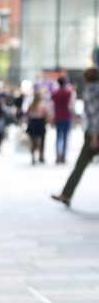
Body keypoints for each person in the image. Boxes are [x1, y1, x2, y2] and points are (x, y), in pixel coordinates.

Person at [52, 66, 99, 207]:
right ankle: (66, 194)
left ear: (86, 78)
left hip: (94, 134)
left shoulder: (90, 91)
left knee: (80, 165)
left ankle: (66, 194)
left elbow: (94, 116)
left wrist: (95, 137)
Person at [50, 74, 74, 163]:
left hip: (58, 117)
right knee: (65, 138)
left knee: (58, 137)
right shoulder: (68, 93)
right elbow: (70, 104)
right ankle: (63, 156)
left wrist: (51, 118)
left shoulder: (54, 93)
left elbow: (52, 107)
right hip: (66, 116)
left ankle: (57, 155)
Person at [25, 88, 51, 164]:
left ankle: (34, 156)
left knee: (33, 141)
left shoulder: (31, 104)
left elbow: (27, 114)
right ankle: (41, 156)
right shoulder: (42, 105)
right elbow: (47, 115)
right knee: (41, 141)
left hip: (33, 123)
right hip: (40, 123)